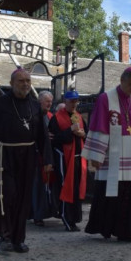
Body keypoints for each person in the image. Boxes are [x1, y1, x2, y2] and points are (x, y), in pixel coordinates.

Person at [0, 68, 53, 253]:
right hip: (4, 156)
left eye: (28, 80)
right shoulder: (0, 103)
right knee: (6, 196)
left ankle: (19, 239)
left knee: (23, 198)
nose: (25, 84)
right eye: (21, 81)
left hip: (28, 157)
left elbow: (42, 135)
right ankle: (6, 237)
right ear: (12, 83)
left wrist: (47, 159)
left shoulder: (35, 106)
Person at [81, 66, 131, 242]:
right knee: (109, 193)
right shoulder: (106, 98)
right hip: (111, 155)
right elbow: (99, 126)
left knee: (128, 194)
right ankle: (106, 228)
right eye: (129, 85)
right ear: (121, 80)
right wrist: (96, 156)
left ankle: (125, 230)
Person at [49, 90, 87, 232]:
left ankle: (74, 219)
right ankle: (66, 218)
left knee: (77, 189)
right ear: (65, 101)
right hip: (64, 158)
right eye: (71, 101)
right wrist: (70, 130)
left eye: (76, 101)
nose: (74, 103)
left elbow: (85, 135)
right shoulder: (57, 118)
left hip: (78, 158)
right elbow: (54, 139)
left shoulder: (79, 117)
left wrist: (83, 134)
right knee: (67, 187)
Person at [30, 90, 59, 226]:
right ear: (40, 101)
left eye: (51, 101)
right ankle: (36, 215)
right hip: (34, 155)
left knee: (43, 186)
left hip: (46, 156)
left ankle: (42, 213)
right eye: (47, 101)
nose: (50, 104)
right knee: (36, 186)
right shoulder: (32, 115)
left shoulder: (50, 116)